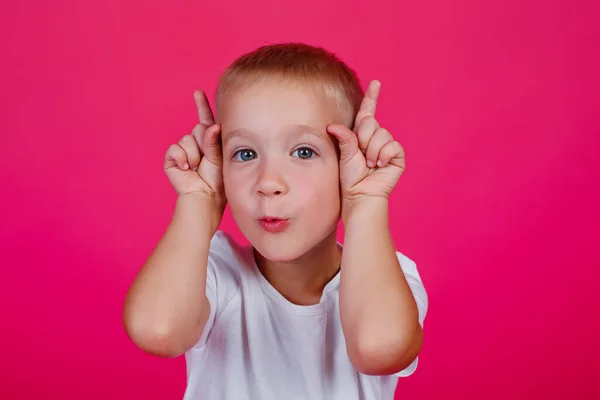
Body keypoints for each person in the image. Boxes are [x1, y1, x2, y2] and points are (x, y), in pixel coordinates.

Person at [123, 43, 428, 400]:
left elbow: (380, 348)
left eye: (303, 152)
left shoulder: (389, 276)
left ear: (351, 161)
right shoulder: (214, 270)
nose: (268, 182)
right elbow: (157, 330)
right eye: (245, 153)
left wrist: (365, 202)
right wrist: (197, 202)